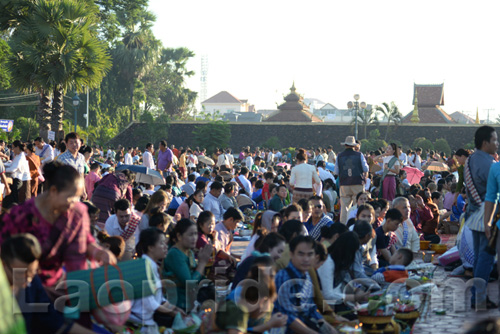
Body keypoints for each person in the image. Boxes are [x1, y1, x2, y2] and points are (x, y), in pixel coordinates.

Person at [0, 162, 115, 288]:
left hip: (63, 284)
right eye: (72, 197)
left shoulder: (77, 212)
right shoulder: (20, 216)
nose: (76, 202)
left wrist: (99, 252)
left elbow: (84, 240)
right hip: (24, 287)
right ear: (54, 191)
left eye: (78, 197)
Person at [1, 234, 95, 334]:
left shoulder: (32, 285)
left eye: (31, 273)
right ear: (3, 264)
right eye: (21, 274)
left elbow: (55, 321)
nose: (27, 280)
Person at [464, 126, 499, 309]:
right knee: (485, 257)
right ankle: (478, 297)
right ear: (485, 143)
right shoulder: (489, 164)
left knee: (479, 257)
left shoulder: (471, 159)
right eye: (494, 140)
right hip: (488, 215)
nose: (497, 143)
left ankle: (476, 297)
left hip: (474, 213)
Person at [274, 235, 337, 334]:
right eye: (301, 254)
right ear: (291, 254)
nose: (306, 259)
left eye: (309, 254)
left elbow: (311, 309)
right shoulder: (283, 277)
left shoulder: (307, 275)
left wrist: (328, 327)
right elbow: (288, 317)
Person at [130, 228, 185, 330]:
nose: (165, 247)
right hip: (140, 322)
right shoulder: (143, 268)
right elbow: (149, 303)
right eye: (161, 243)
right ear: (150, 247)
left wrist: (175, 308)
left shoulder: (151, 265)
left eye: (165, 243)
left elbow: (159, 299)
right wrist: (173, 313)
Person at [215, 258, 287, 334]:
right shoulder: (238, 309)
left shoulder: (244, 307)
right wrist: (268, 325)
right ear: (263, 301)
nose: (270, 308)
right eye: (270, 303)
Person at [163, 219, 213, 311]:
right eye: (190, 234)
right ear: (179, 236)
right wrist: (202, 263)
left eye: (195, 234)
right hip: (178, 305)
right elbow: (189, 284)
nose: (194, 238)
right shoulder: (175, 254)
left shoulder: (189, 251)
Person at [335, 136, 369, 224]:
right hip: (357, 182)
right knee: (358, 205)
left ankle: (344, 225)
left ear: (345, 145)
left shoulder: (339, 156)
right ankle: (358, 223)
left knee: (344, 207)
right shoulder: (359, 155)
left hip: (344, 184)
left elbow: (336, 171)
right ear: (354, 145)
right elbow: (366, 169)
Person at [4, 140, 31, 206]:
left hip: (18, 180)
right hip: (16, 179)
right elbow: (12, 165)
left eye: (13, 148)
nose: (13, 150)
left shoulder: (20, 157)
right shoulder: (18, 155)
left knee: (13, 201)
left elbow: (13, 169)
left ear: (18, 147)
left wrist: (3, 170)